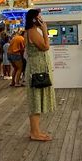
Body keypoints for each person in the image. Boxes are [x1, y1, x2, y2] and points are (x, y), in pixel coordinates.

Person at [24, 9, 56, 141]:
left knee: (36, 100)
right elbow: (45, 46)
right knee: (35, 101)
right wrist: (44, 30)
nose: (41, 18)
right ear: (34, 19)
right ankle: (35, 133)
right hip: (36, 70)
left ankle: (35, 131)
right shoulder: (32, 31)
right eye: (39, 16)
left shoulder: (30, 31)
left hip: (38, 68)